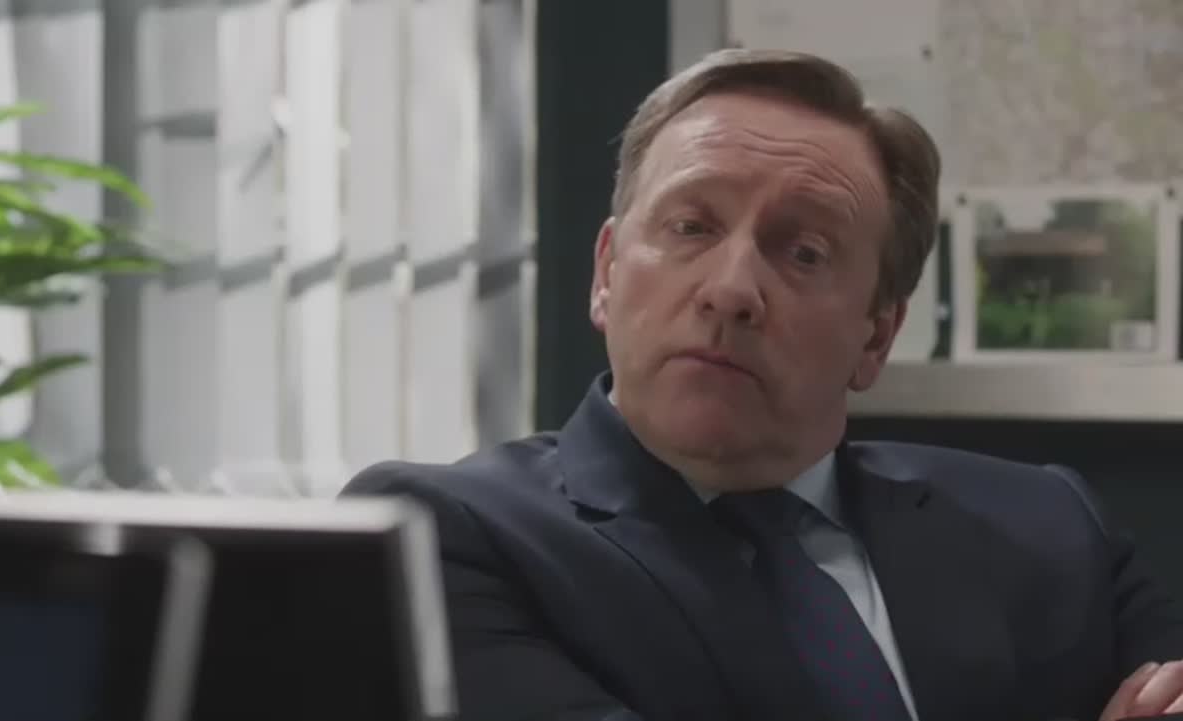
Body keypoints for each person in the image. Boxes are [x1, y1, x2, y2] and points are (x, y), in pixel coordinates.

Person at [341, 49, 1183, 721]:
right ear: (606, 273)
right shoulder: (439, 537)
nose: (731, 289)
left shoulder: (1049, 528)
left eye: (804, 252)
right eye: (690, 226)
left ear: (876, 334)